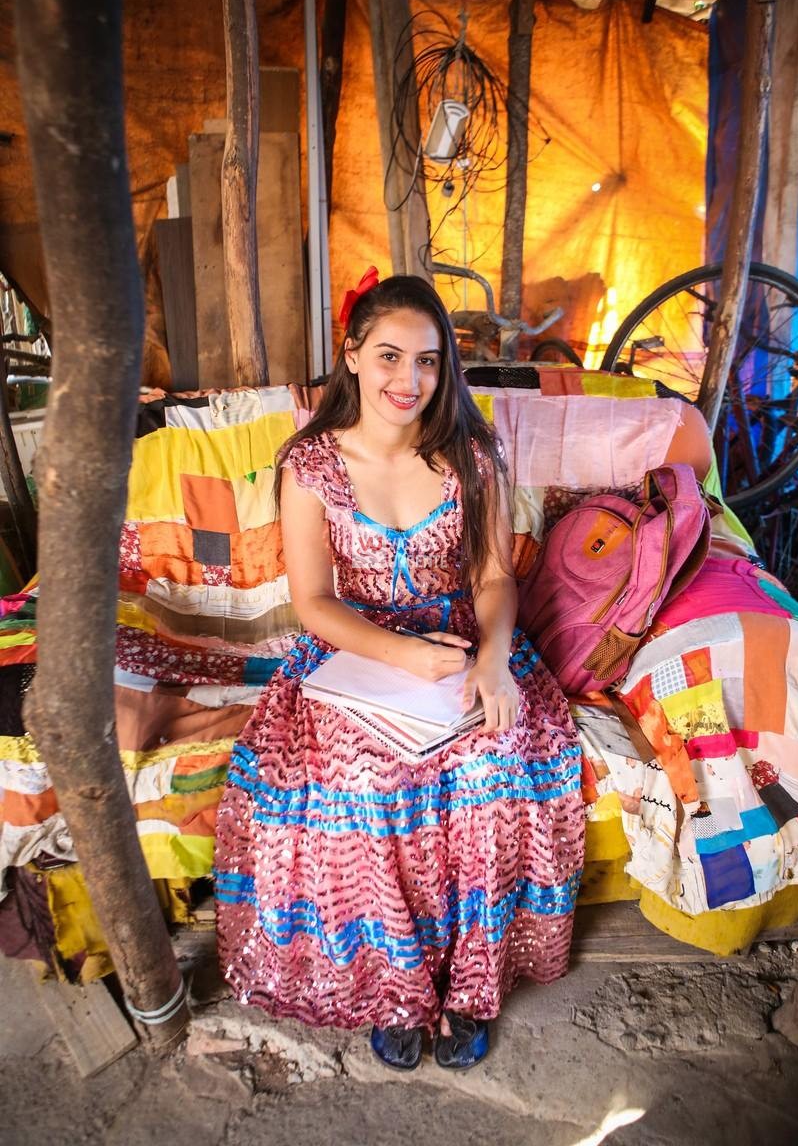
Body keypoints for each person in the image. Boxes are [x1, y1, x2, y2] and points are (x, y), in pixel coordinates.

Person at [214, 270, 585, 1071]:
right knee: (361, 779)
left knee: (493, 763)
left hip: (465, 643)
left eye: (427, 361)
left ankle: (471, 988)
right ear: (351, 356)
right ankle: (397, 989)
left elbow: (494, 578)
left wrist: (494, 663)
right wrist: (406, 655)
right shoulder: (311, 466)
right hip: (354, 655)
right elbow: (314, 603)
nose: (408, 380)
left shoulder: (470, 456)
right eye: (389, 356)